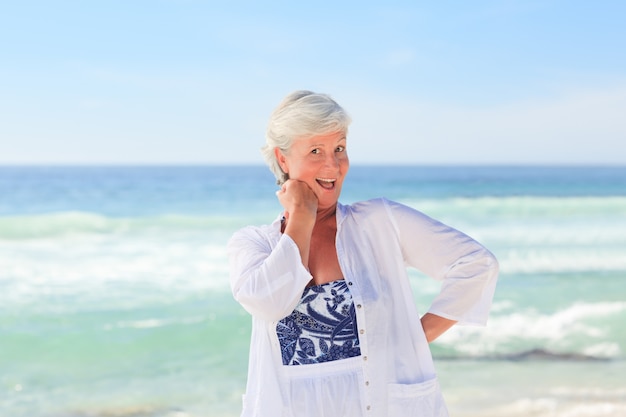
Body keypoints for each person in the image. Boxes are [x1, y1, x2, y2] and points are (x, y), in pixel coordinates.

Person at [227, 90, 499, 417]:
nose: (333, 164)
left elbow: (476, 265)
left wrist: (413, 339)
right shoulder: (255, 244)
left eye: (339, 148)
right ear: (283, 159)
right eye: (316, 150)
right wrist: (301, 214)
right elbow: (269, 302)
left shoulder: (381, 222)